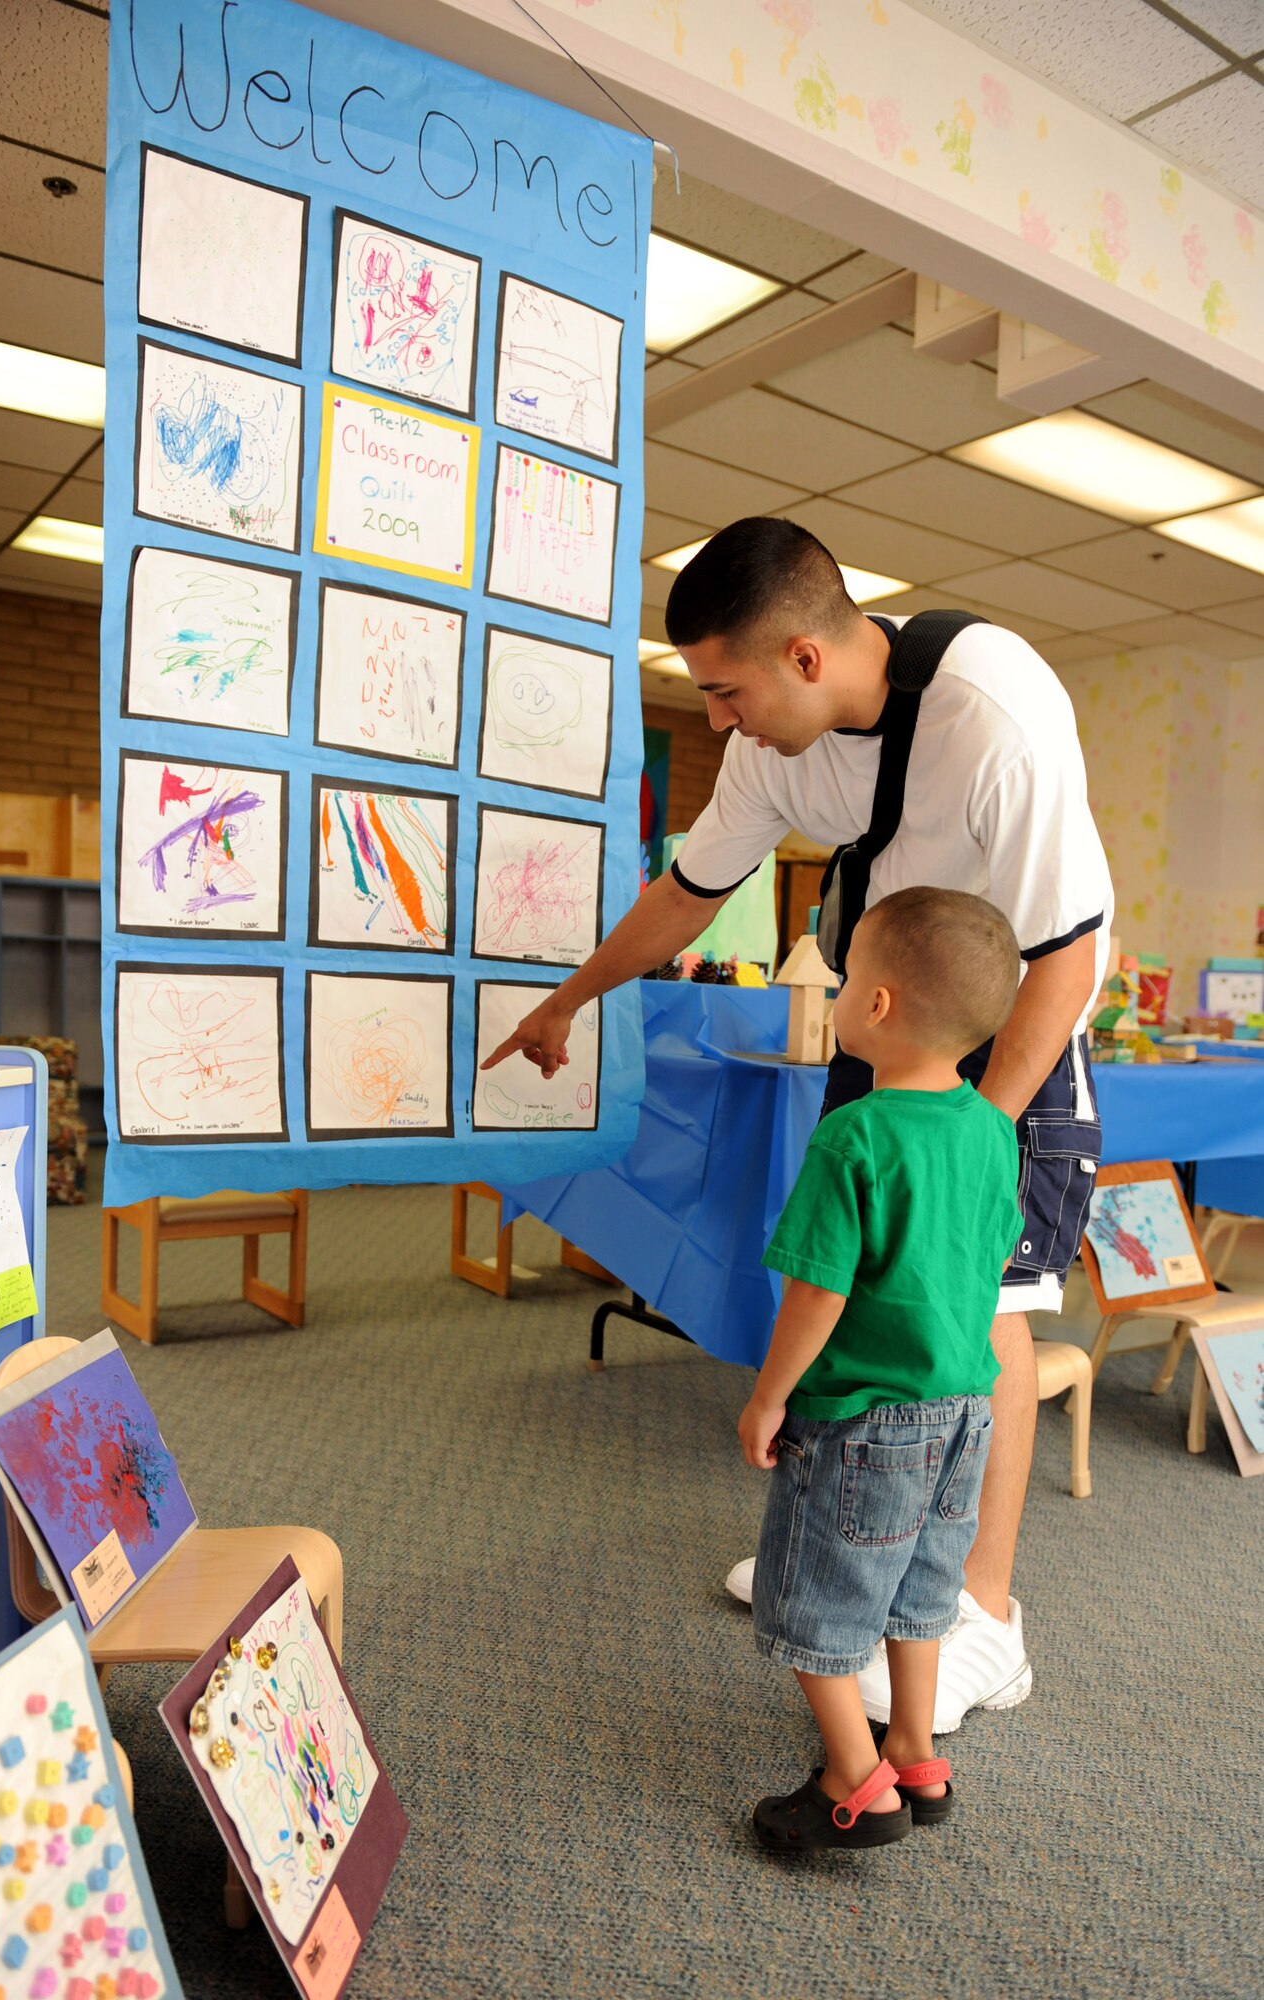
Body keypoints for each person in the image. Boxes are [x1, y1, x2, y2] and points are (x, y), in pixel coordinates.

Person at [482, 517, 1112, 1731]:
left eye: (727, 691)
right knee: (861, 1284)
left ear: (805, 657)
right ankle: (850, 1551)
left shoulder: (994, 709)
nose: (720, 719)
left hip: (1009, 1027)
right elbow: (689, 891)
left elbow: (1066, 957)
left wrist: (970, 1141)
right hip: (884, 1028)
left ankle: (985, 1619)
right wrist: (571, 997)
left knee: (979, 1304)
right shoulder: (774, 746)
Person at [739, 886, 1022, 1850]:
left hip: (865, 1416)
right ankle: (914, 1747)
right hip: (965, 1410)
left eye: (847, 975)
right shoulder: (990, 1128)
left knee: (815, 1600)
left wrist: (769, 1396)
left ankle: (856, 1780)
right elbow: (990, 1256)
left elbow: (817, 1292)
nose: (839, 991)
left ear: (879, 1004)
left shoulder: (853, 1135)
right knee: (921, 1591)